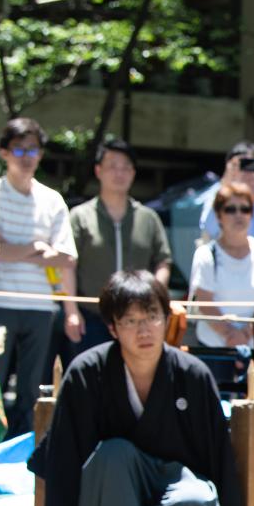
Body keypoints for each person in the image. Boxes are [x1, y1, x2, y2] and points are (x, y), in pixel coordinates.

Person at [30, 270, 247, 506]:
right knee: (114, 454)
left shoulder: (193, 375)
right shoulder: (87, 373)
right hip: (107, 494)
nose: (143, 330)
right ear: (112, 328)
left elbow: (219, 457)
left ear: (167, 319)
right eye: (130, 321)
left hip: (169, 489)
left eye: (152, 317)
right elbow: (65, 453)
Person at [0, 117, 79, 437]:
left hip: (41, 308)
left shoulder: (52, 200)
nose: (26, 157)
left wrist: (71, 312)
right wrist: (37, 248)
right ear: (4, 153)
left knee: (32, 391)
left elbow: (67, 258)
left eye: (33, 150)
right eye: (19, 149)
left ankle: (22, 457)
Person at [67, 139, 172, 359]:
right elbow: (67, 265)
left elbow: (163, 261)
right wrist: (71, 311)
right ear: (98, 170)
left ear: (133, 173)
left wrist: (153, 296)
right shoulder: (80, 216)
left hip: (138, 321)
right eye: (112, 166)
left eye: (126, 167)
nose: (119, 173)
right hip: (91, 318)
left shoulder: (148, 218)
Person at [189, 183, 254, 381]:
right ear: (219, 215)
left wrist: (244, 336)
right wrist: (231, 336)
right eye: (230, 209)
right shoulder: (206, 254)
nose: (238, 215)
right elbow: (203, 302)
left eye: (245, 209)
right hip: (212, 352)